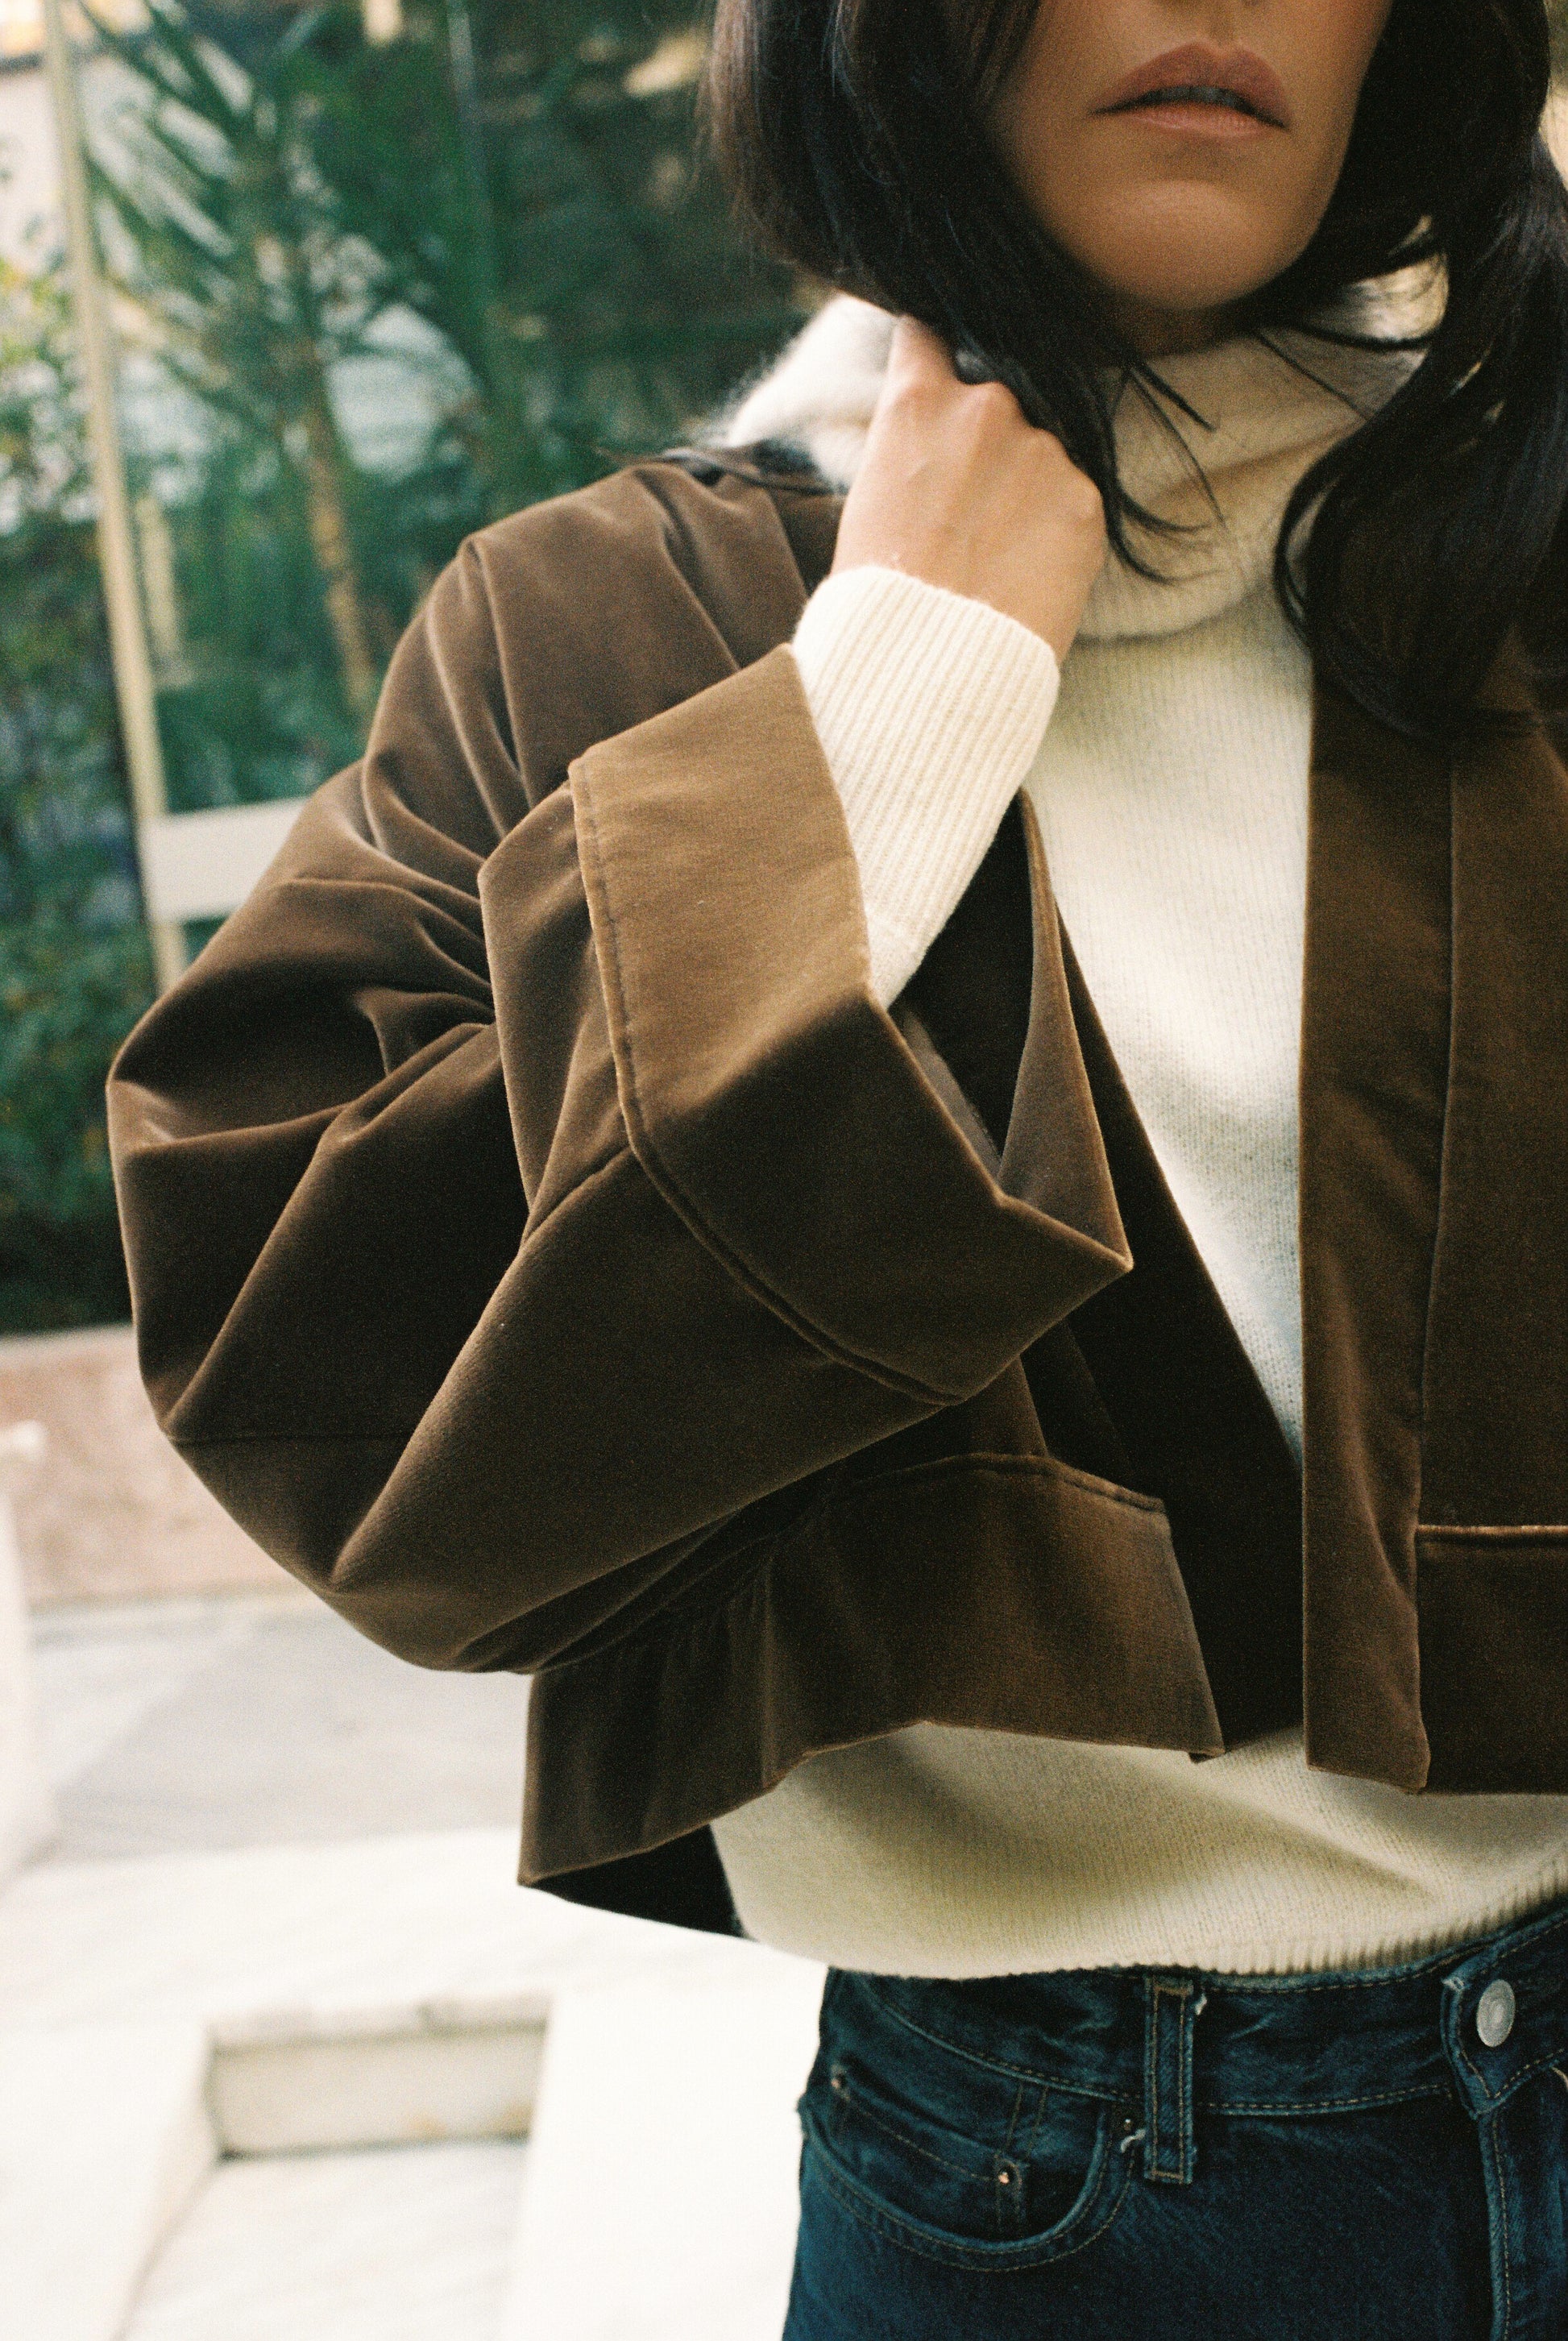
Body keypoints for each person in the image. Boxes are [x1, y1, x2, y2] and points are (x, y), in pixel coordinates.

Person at [106, 1, 1568, 2332]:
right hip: (1051, 2193)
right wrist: (885, 703)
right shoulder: (599, 624)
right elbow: (356, 1407)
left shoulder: (1516, 560)